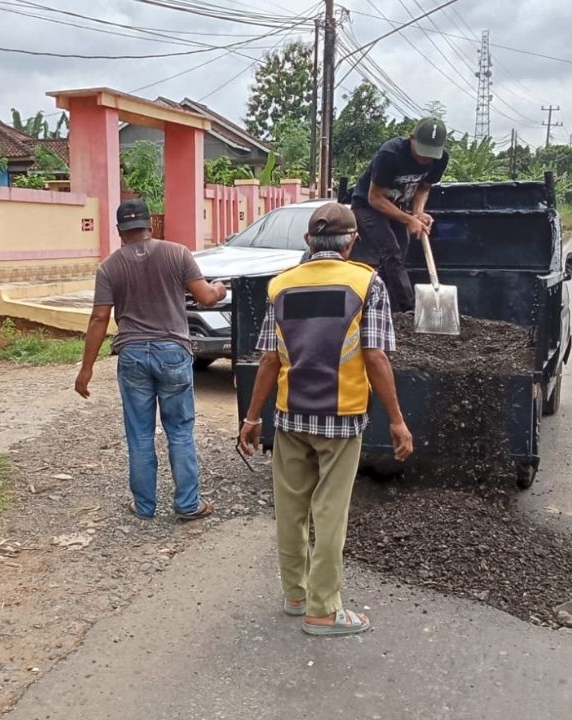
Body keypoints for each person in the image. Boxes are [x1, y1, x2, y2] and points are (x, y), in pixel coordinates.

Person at [238, 203, 414, 636]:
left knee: (291, 511)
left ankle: (295, 596)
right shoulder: (365, 283)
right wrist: (396, 420)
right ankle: (323, 610)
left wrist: (250, 417)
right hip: (341, 418)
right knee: (330, 513)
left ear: (307, 242)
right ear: (352, 240)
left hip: (289, 416)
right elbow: (375, 356)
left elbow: (268, 359)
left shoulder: (281, 287)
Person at [76, 199, 228, 521]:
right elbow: (204, 297)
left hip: (132, 355)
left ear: (120, 231)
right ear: (151, 225)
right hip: (173, 351)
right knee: (180, 431)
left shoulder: (109, 267)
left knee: (140, 434)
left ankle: (144, 505)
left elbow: (99, 318)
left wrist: (86, 370)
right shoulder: (177, 253)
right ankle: (188, 504)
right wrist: (218, 289)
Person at [349, 117, 451, 313]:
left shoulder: (440, 159)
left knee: (395, 259)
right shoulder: (390, 154)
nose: (425, 159)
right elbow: (375, 198)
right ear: (411, 138)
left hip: (398, 207)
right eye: (422, 151)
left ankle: (380, 308)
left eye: (431, 154)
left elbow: (424, 187)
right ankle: (410, 310)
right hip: (367, 206)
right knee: (392, 253)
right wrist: (409, 219)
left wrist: (418, 212)